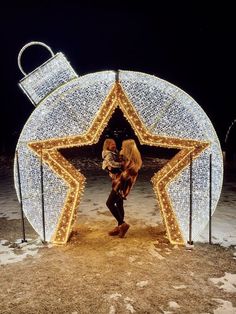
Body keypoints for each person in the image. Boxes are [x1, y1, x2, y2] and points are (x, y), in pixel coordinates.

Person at [105, 139, 142, 238]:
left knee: (109, 203)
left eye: (123, 147)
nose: (121, 148)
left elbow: (123, 177)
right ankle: (119, 227)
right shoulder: (125, 159)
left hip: (121, 187)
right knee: (119, 204)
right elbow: (115, 164)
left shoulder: (133, 164)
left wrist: (113, 171)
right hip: (119, 185)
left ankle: (122, 224)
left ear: (128, 149)